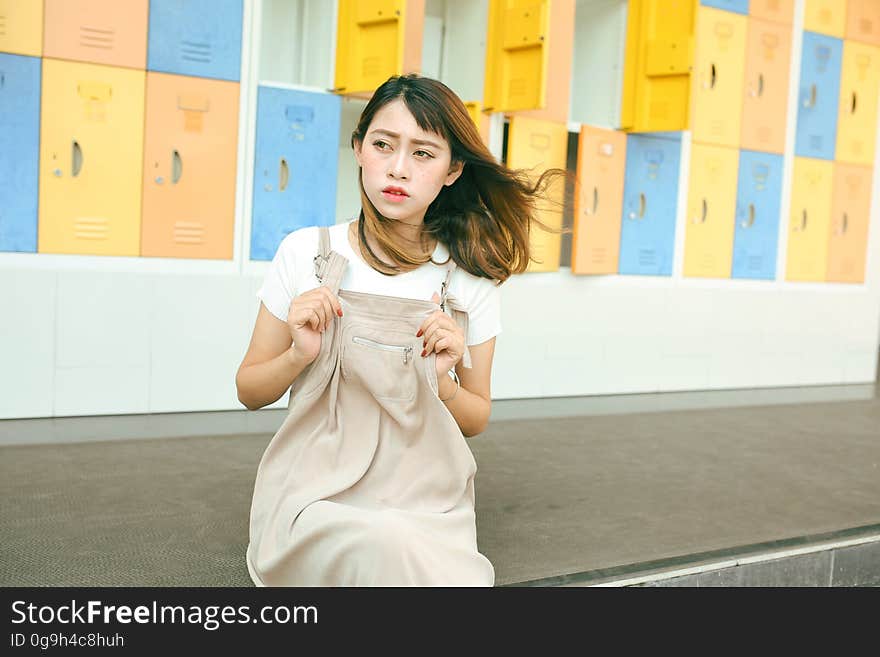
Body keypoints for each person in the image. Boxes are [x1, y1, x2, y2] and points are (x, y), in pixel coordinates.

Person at [236, 73, 566, 586]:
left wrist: (444, 382)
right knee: (378, 544)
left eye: (422, 153)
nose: (397, 168)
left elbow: (476, 418)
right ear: (358, 150)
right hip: (312, 491)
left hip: (425, 502)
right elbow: (249, 390)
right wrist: (298, 355)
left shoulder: (469, 281)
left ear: (453, 170)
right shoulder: (304, 251)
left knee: (396, 541)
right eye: (383, 144)